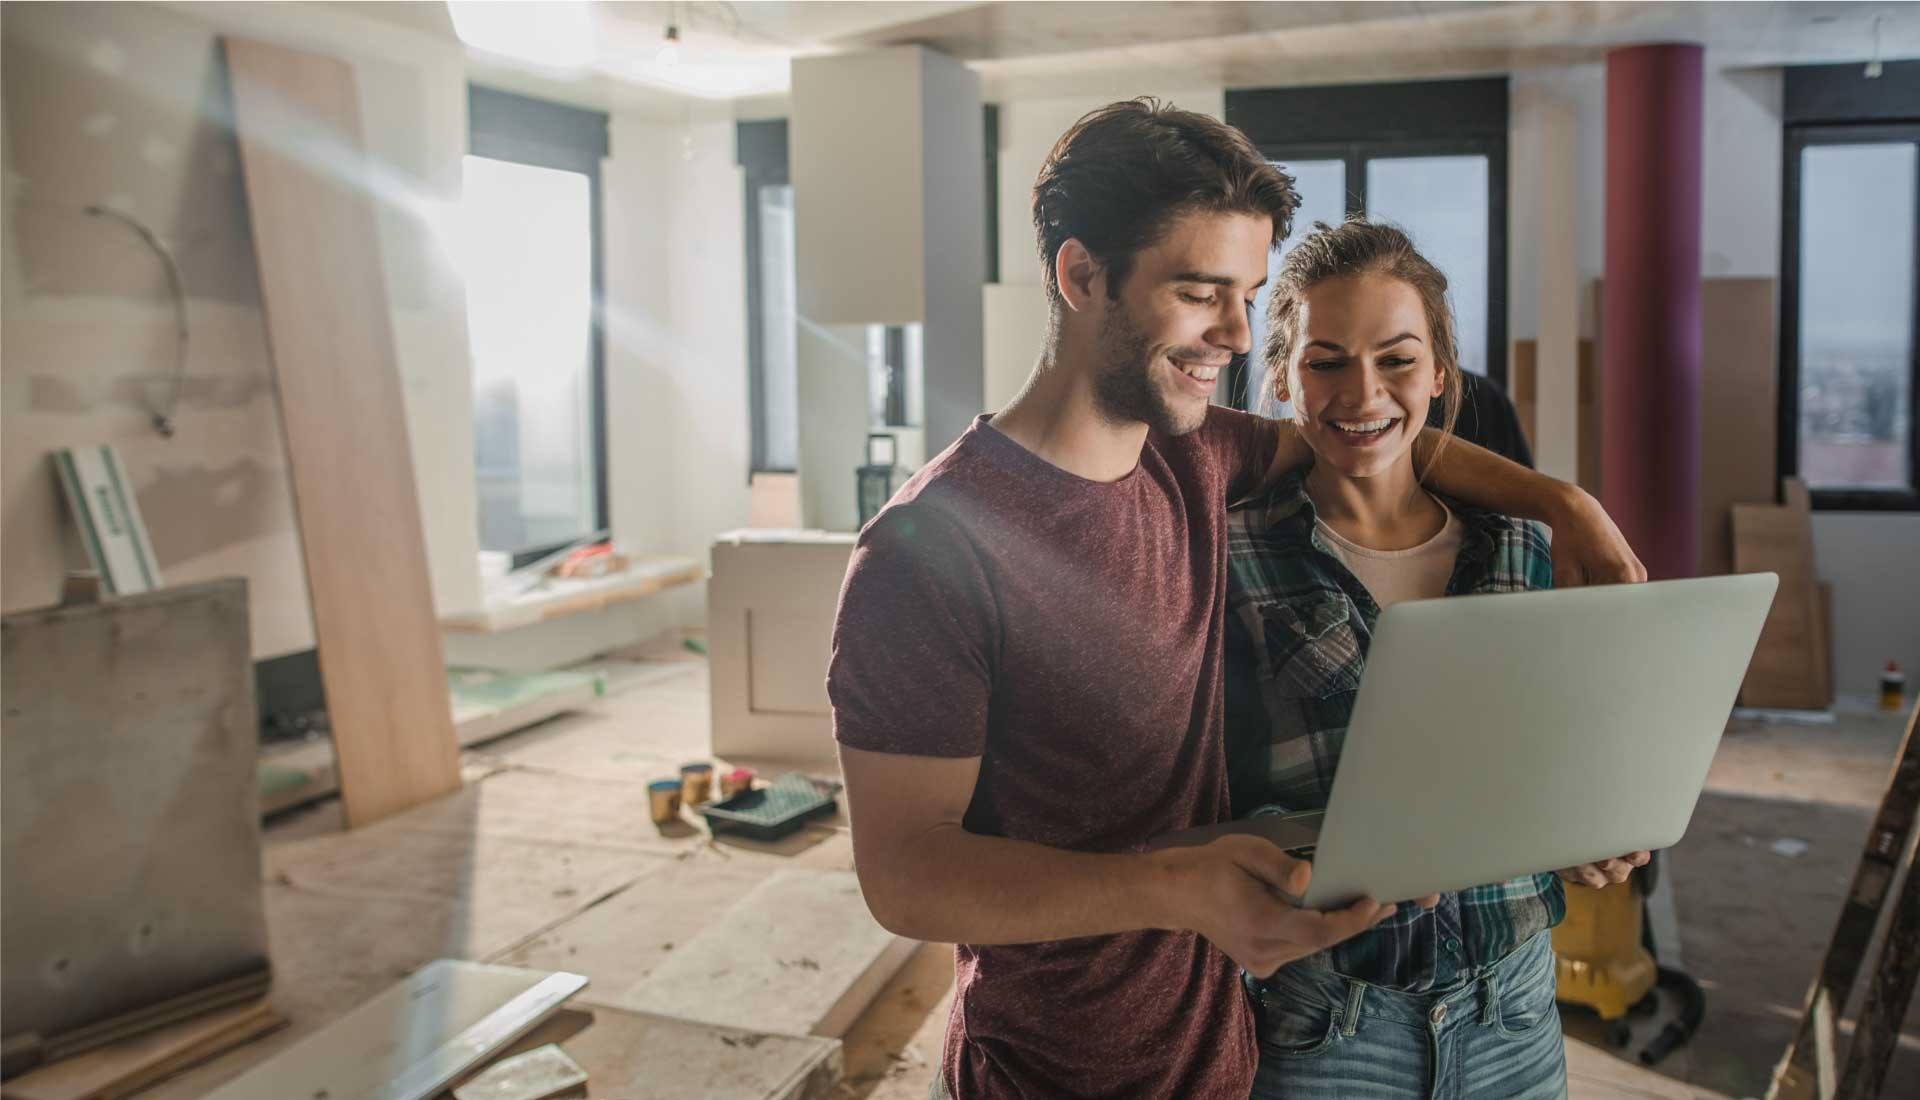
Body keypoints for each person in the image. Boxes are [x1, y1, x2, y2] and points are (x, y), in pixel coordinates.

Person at [826, 99, 1646, 1100]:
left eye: (1251, 293)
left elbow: (1376, 430)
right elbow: (904, 872)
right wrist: (1172, 888)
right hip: (1054, 1066)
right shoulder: (927, 549)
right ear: (1082, 275)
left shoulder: (1199, 455)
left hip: (1225, 1052)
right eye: (1202, 291)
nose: (1238, 332)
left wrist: (1569, 505)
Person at [1224, 218, 1648, 1099]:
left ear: (1441, 373)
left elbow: (1559, 760)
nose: (1361, 391)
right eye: (1326, 359)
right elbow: (1209, 791)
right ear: (1280, 378)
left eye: (1397, 358)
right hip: (1325, 1020)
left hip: (1517, 1008)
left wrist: (1592, 835)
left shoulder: (1525, 552)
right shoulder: (1231, 558)